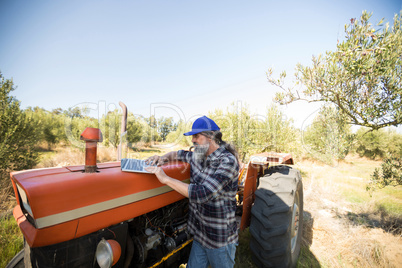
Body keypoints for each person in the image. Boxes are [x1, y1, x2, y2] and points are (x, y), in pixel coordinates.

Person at [145, 115, 239, 268]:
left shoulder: (227, 161)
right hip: (200, 234)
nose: (193, 140)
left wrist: (165, 179)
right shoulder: (198, 155)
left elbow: (202, 194)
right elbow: (176, 154)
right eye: (192, 137)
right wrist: (162, 158)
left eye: (197, 136)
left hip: (219, 239)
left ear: (211, 136)